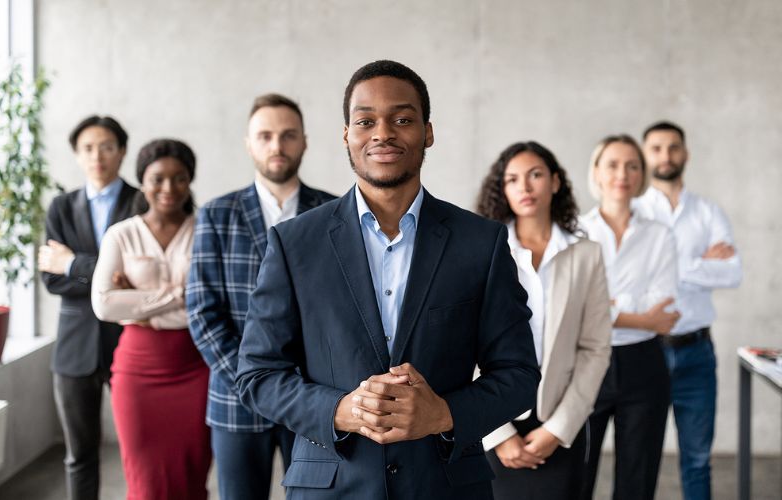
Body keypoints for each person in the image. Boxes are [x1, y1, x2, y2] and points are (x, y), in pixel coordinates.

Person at [235, 59, 540, 499]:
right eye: (365, 121)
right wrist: (342, 410)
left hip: (445, 486)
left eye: (402, 119)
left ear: (428, 132)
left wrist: (443, 414)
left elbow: (518, 374)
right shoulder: (294, 243)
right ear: (347, 136)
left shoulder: (481, 242)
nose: (383, 133)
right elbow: (257, 375)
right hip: (332, 487)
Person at [186, 93, 335, 500]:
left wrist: (301, 388)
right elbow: (201, 311)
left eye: (288, 135)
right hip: (236, 395)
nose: (277, 146)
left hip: (313, 398)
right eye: (265, 136)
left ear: (304, 141)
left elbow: (341, 313)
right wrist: (254, 381)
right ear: (248, 143)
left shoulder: (334, 213)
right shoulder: (217, 214)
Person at [476, 141, 612, 500]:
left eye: (535, 175)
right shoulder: (480, 252)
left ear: (554, 182)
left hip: (560, 418)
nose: (525, 187)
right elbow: (462, 345)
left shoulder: (586, 255)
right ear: (502, 190)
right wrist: (497, 434)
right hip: (491, 417)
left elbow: (595, 348)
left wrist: (559, 428)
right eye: (513, 179)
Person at [91, 139, 210, 500]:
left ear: (190, 180)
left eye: (179, 178)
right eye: (157, 178)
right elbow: (104, 305)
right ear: (142, 181)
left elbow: (213, 303)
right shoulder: (121, 234)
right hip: (137, 372)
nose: (168, 188)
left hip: (196, 367)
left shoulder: (206, 228)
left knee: (192, 474)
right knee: (144, 481)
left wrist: (138, 301)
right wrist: (179, 295)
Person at [634, 121, 742, 500]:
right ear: (646, 155)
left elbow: (732, 273)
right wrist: (698, 262)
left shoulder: (708, 211)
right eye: (657, 148)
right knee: (640, 460)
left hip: (697, 354)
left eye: (673, 147)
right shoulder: (632, 211)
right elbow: (625, 281)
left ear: (685, 154)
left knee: (697, 459)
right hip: (645, 351)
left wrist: (667, 264)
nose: (666, 155)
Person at [39, 115, 137, 500]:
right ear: (78, 156)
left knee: (136, 450)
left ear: (122, 151)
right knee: (79, 455)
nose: (97, 155)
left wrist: (72, 264)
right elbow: (51, 279)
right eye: (88, 148)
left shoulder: (140, 200)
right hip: (73, 348)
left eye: (107, 146)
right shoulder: (60, 207)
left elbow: (137, 278)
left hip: (129, 342)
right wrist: (106, 275)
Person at [579, 134, 680, 500]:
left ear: (642, 174)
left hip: (644, 365)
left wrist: (606, 307)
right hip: (586, 360)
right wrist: (639, 316)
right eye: (613, 164)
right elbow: (579, 309)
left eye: (633, 165)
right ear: (597, 172)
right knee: (577, 475)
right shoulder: (575, 232)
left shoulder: (660, 234)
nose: (623, 173)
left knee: (637, 480)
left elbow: (664, 305)